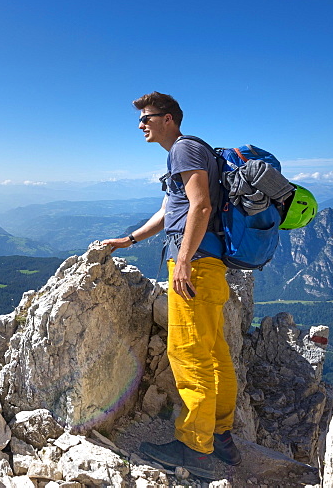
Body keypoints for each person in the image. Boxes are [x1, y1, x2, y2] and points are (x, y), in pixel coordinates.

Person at [102, 91, 241, 482]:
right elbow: (170, 210)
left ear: (169, 119)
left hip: (194, 264)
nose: (141, 125)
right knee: (214, 352)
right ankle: (221, 434)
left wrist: (182, 261)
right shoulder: (188, 153)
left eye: (147, 118)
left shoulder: (183, 149)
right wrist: (129, 240)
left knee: (188, 354)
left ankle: (195, 447)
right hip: (208, 265)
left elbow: (199, 206)